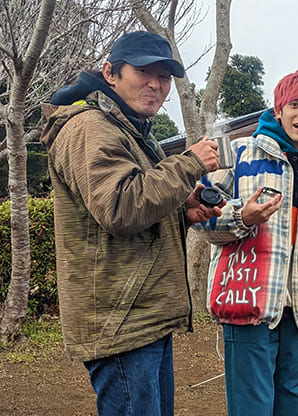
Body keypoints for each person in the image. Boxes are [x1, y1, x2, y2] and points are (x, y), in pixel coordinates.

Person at [40, 31, 224, 416]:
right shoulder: (90, 127)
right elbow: (120, 207)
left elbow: (130, 205)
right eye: (143, 71)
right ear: (110, 72)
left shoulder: (129, 128)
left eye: (164, 77)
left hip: (141, 316)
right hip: (121, 322)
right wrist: (190, 164)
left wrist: (181, 211)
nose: (156, 84)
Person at [191, 69, 298, 416]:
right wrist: (242, 216)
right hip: (248, 299)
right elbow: (200, 217)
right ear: (278, 110)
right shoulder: (240, 154)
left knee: (289, 398)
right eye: (294, 104)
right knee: (251, 405)